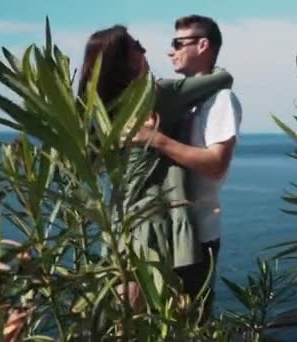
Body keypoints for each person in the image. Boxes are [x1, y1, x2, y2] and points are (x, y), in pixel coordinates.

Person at [77, 25, 233, 272]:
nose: (145, 49)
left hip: (121, 223)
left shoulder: (98, 111)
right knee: (175, 305)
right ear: (124, 62)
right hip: (158, 225)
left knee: (128, 304)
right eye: (137, 47)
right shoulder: (158, 96)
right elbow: (223, 78)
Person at [133, 15, 242, 317]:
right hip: (166, 232)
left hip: (198, 235)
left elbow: (216, 164)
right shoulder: (186, 99)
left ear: (203, 45)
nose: (170, 51)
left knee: (190, 323)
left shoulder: (221, 100)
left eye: (177, 43)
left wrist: (155, 140)